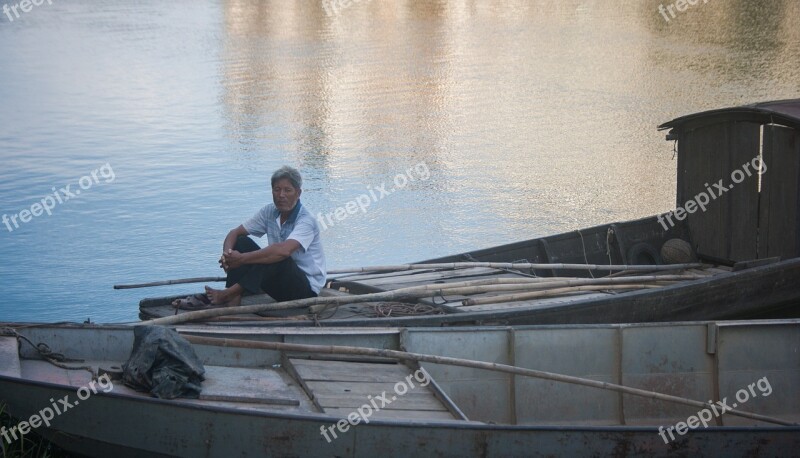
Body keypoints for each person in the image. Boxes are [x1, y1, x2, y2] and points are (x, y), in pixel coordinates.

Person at [172, 165, 326, 309]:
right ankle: (233, 298)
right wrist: (228, 256)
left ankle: (227, 294)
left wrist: (242, 259)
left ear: (298, 193)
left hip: (305, 293)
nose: (281, 195)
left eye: (287, 190)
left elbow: (283, 251)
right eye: (277, 190)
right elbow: (234, 233)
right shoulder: (269, 212)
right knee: (241, 242)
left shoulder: (306, 220)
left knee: (277, 256)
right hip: (279, 288)